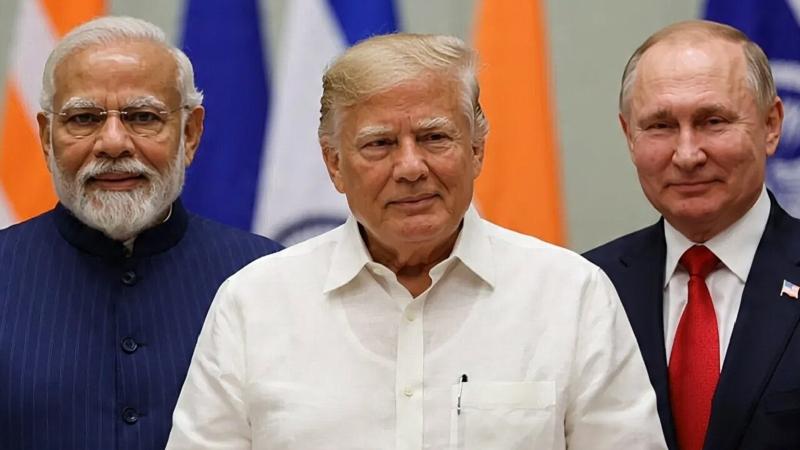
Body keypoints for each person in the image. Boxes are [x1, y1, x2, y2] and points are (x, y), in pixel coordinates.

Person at [167, 33, 666, 450]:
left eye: (434, 137)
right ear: (334, 164)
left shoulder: (570, 295)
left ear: (476, 150)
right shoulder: (254, 304)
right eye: (379, 144)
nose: (410, 167)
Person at [0, 16, 282, 450]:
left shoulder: (268, 277)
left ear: (190, 134)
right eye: (84, 118)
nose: (113, 143)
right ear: (46, 138)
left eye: (143, 117)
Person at [584, 20, 799, 450]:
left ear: (771, 125)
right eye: (660, 126)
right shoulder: (586, 286)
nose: (686, 155)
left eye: (713, 121)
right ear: (629, 136)